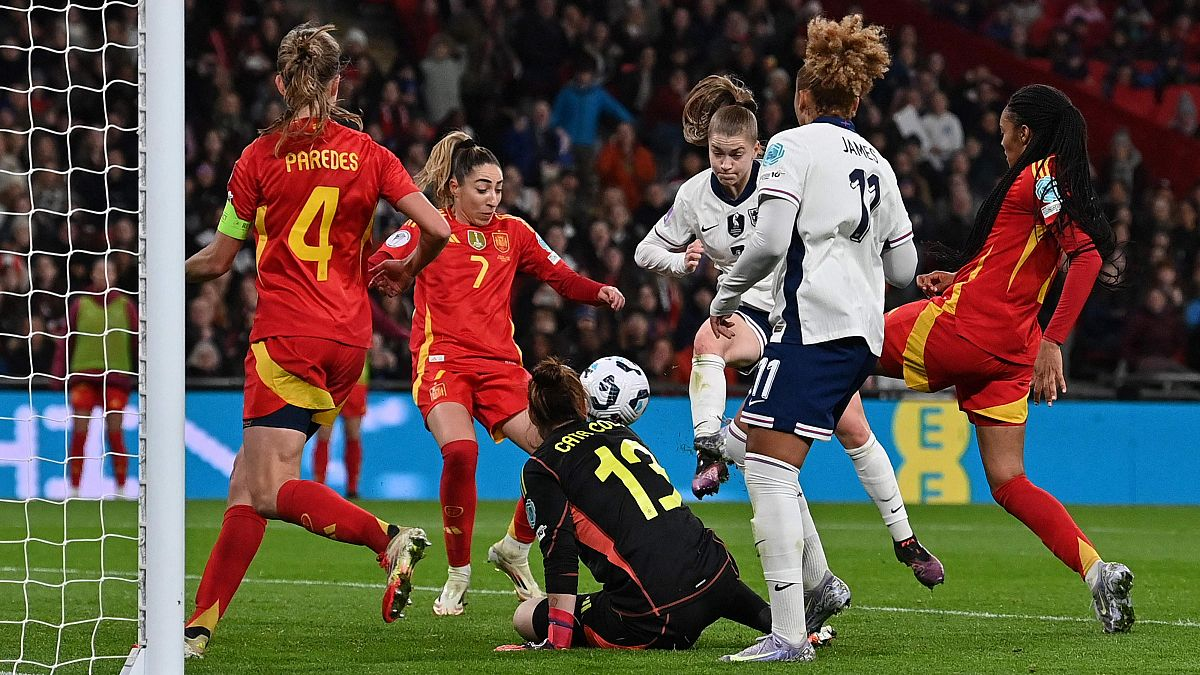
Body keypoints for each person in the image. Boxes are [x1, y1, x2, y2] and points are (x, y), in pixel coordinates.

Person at [180, 22, 451, 658]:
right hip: (348, 344)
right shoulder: (370, 153)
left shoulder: (257, 157)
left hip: (286, 338)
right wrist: (405, 271)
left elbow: (219, 261)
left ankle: (385, 536)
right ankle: (198, 629)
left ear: (278, 83)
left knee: (269, 488)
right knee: (247, 487)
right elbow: (437, 226)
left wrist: (160, 268)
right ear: (336, 83)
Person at [634, 74, 943, 589]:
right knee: (712, 347)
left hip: (798, 314)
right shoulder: (693, 197)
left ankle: (900, 538)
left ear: (756, 150)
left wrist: (725, 289)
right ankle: (710, 447)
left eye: (735, 153)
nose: (725, 164)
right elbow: (646, 250)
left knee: (846, 431)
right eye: (716, 153)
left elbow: (782, 242)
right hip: (763, 315)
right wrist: (681, 263)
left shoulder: (785, 165)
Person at [878, 84, 1135, 633]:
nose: (1000, 142)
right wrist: (962, 277)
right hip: (1007, 351)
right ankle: (1098, 572)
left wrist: (1054, 340)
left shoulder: (1042, 174)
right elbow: (1017, 262)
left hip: (970, 328)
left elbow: (1085, 256)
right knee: (1009, 480)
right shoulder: (1048, 179)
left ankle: (740, 441)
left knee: (839, 348)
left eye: (1003, 132)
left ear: (1023, 130)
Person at [709, 15, 915, 662]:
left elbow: (770, 241)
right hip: (861, 333)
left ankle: (791, 632)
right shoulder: (879, 161)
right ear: (855, 100)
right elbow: (905, 269)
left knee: (767, 470)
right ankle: (819, 584)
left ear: (802, 99)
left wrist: (725, 294)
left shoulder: (789, 147)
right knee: (745, 443)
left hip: (811, 323)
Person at [368, 130, 625, 616]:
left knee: (558, 455)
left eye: (499, 188)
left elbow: (561, 277)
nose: (492, 198)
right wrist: (391, 267)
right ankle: (457, 573)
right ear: (453, 189)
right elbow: (380, 262)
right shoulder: (429, 225)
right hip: (442, 360)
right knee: (461, 451)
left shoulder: (515, 233)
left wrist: (599, 291)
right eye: (482, 188)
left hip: (502, 367)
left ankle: (513, 546)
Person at [499, 359, 773, 651]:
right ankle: (786, 625)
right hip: (718, 573)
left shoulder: (541, 466)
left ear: (533, 414)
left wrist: (556, 641)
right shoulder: (621, 432)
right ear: (582, 405)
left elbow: (559, 551)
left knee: (525, 616)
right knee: (679, 560)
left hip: (656, 617)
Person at [53, 258, 136, 498]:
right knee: (80, 431)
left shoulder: (125, 305)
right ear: (92, 274)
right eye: (100, 270)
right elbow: (65, 340)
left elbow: (136, 341)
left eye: (109, 270)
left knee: (115, 432)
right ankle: (75, 487)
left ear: (116, 275)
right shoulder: (80, 304)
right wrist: (59, 375)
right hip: (84, 376)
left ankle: (121, 487)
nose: (105, 275)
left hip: (116, 378)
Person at [313, 359, 368, 498]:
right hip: (328, 380)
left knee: (353, 434)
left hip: (355, 380)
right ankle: (319, 485)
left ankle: (352, 489)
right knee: (324, 433)